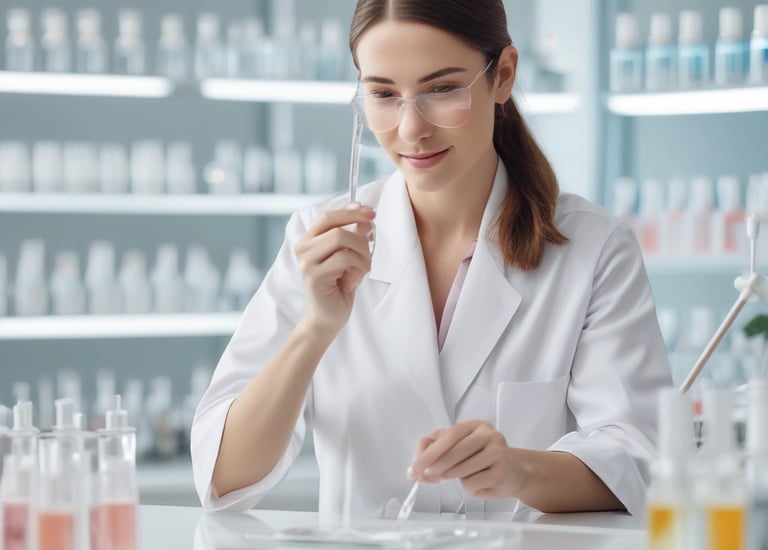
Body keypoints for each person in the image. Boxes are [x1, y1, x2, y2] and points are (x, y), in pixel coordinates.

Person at [191, 0, 672, 519]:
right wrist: (314, 331)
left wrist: (518, 471)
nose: (410, 130)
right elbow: (223, 479)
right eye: (383, 94)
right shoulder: (319, 239)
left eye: (442, 90)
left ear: (503, 75)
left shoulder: (593, 247)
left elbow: (639, 460)